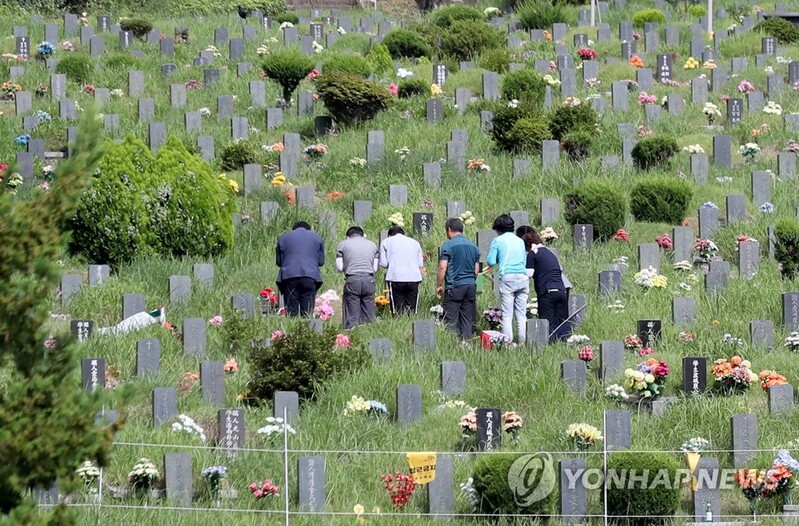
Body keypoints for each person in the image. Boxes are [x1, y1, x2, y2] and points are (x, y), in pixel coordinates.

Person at [516, 225, 571, 342]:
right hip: (562, 291)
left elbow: (529, 273)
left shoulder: (533, 253)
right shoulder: (550, 253)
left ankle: (549, 345)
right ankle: (562, 345)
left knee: (546, 324)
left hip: (547, 292)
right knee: (561, 324)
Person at [486, 214, 529, 344]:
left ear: (498, 228)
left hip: (508, 278)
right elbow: (524, 260)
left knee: (507, 315)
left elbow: (491, 261)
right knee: (521, 315)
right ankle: (523, 343)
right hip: (522, 277)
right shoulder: (520, 241)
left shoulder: (498, 241)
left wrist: (500, 258)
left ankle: (507, 344)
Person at [437, 218, 481, 342]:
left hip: (455, 286)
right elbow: (476, 269)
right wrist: (471, 280)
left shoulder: (448, 245)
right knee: (467, 318)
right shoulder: (474, 246)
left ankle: (452, 344)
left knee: (451, 318)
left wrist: (439, 285)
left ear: (449, 230)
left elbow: (442, 267)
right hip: (471, 285)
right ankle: (467, 343)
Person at [276, 221, 325, 317]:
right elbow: (321, 262)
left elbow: (279, 262)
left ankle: (291, 329)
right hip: (310, 276)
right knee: (307, 312)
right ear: (308, 229)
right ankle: (307, 329)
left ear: (293, 229)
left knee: (291, 312)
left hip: (289, 277)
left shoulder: (283, 238)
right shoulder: (317, 237)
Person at [336, 226, 379, 329]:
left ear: (348, 237)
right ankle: (368, 331)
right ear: (362, 235)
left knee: (351, 311)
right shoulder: (372, 244)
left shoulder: (343, 244)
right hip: (369, 279)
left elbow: (339, 267)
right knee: (369, 310)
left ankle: (351, 331)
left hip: (352, 279)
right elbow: (375, 268)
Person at [379, 226, 425, 315]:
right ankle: (410, 324)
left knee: (397, 309)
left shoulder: (386, 242)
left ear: (389, 235)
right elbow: (420, 264)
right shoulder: (415, 242)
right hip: (414, 277)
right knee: (412, 309)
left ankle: (398, 324)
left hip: (395, 277)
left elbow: (384, 263)